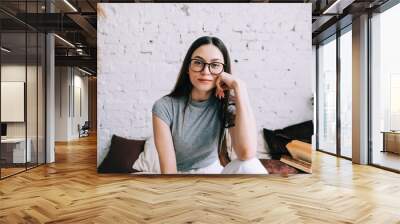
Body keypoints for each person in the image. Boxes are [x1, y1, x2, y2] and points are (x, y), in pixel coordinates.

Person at [152, 36, 268, 174]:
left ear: (223, 71)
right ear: (188, 68)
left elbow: (246, 153)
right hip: (180, 178)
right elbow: (169, 173)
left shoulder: (226, 104)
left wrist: (239, 87)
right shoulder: (164, 107)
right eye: (198, 62)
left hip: (215, 176)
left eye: (215, 65)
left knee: (250, 165)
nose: (205, 71)